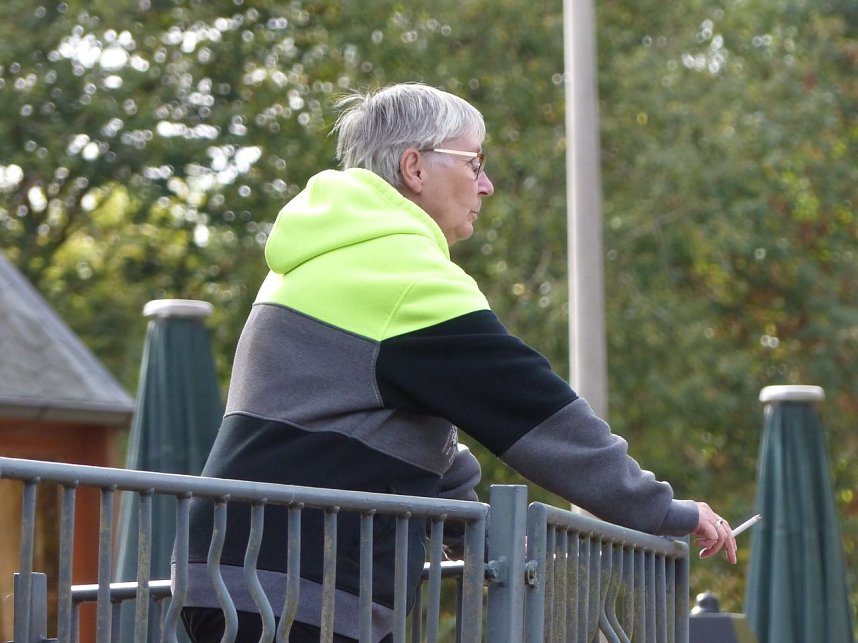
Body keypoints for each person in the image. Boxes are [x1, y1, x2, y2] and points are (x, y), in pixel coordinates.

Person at [180, 82, 737, 642]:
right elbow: (536, 413)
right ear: (415, 168)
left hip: (241, 574)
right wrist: (662, 509)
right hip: (298, 591)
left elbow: (375, 430)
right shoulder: (403, 274)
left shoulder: (320, 260)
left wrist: (479, 531)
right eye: (475, 163)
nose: (486, 185)